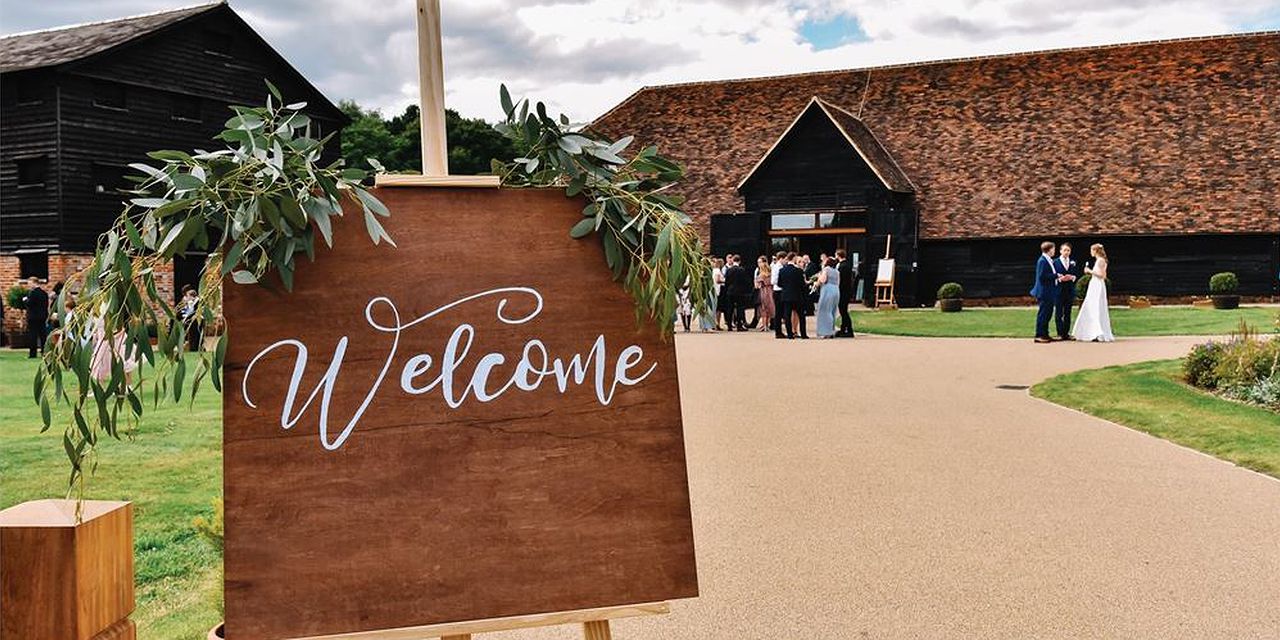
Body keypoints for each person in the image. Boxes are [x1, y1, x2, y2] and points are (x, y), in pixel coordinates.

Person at [1072, 243, 1115, 342]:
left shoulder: (1100, 260)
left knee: (1096, 307)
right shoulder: (1099, 260)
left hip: (1097, 285)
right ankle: (1091, 332)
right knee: (1091, 307)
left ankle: (1097, 333)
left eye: (1092, 250)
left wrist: (1089, 271)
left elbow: (1102, 275)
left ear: (1095, 251)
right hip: (1094, 284)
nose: (1091, 252)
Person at [1029, 241, 1058, 344]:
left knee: (1048, 313)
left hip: (1049, 291)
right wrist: (1056, 275)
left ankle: (1045, 334)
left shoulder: (1048, 260)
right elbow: (1042, 277)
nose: (1054, 250)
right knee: (1043, 314)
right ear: (1049, 249)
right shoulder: (1042, 261)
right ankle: (1039, 335)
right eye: (1053, 249)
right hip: (1044, 292)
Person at [778, 253, 809, 339]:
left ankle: (790, 334)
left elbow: (779, 283)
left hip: (786, 295)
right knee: (801, 316)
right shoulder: (798, 271)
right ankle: (803, 334)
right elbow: (802, 284)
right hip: (797, 295)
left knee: (787, 316)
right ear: (794, 258)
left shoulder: (782, 270)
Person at [1052, 243, 1078, 340]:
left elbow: (1076, 274)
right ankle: (1060, 333)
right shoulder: (1055, 262)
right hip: (1058, 290)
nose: (1066, 252)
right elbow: (1052, 275)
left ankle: (1066, 333)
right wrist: (1060, 279)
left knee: (1068, 312)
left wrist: (1072, 277)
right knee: (1059, 312)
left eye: (1068, 250)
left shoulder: (1073, 262)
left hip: (1069, 290)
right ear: (1060, 251)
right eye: (1065, 250)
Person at [22, 277, 49, 358]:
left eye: (30, 283)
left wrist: (25, 300)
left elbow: (30, 304)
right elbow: (46, 305)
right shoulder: (44, 293)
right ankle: (44, 352)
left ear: (34, 283)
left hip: (33, 317)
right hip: (42, 317)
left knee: (33, 335)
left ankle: (32, 354)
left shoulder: (33, 293)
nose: (29, 285)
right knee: (43, 335)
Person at [724, 255, 752, 331]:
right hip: (739, 292)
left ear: (733, 261)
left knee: (730, 308)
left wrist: (727, 289)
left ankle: (729, 325)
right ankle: (739, 325)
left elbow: (727, 281)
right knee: (740, 308)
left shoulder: (729, 270)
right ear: (739, 261)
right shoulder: (742, 270)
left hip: (730, 291)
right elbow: (745, 281)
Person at [815, 257, 841, 338]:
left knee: (824, 310)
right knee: (832, 310)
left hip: (827, 290)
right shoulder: (837, 271)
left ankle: (826, 331)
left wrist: (817, 282)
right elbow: (838, 282)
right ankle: (831, 330)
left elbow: (823, 280)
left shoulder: (826, 269)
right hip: (836, 290)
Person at [835, 249, 856, 337]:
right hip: (846, 291)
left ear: (838, 255)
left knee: (843, 311)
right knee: (843, 310)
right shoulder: (847, 265)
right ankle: (843, 329)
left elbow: (841, 280)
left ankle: (849, 330)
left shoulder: (843, 266)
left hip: (843, 291)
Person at [179, 285, 203, 351]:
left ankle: (198, 347)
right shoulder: (186, 300)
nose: (186, 296)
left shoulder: (198, 301)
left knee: (197, 334)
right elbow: (184, 309)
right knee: (191, 334)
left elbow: (195, 310)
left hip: (197, 320)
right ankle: (192, 347)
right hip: (190, 320)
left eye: (187, 295)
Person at [755, 256, 774, 332]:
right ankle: (767, 325)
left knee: (763, 309)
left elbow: (757, 286)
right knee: (769, 308)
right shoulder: (771, 274)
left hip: (763, 292)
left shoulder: (761, 276)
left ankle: (764, 325)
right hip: (770, 291)